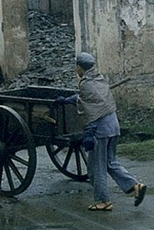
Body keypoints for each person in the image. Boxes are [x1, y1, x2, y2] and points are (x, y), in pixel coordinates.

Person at [59, 52, 146, 211]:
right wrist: (69, 100)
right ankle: (135, 186)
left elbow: (89, 109)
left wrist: (89, 133)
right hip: (113, 126)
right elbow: (89, 100)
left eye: (76, 67)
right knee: (110, 163)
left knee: (96, 167)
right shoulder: (100, 79)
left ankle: (103, 201)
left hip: (101, 130)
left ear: (79, 67)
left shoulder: (86, 84)